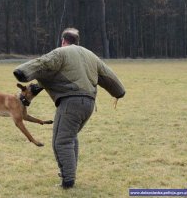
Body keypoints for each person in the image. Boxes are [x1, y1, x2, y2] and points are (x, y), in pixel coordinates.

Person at [13, 28, 125, 189]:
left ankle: (68, 180)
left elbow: (43, 62)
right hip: (89, 104)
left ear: (63, 41)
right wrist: (119, 92)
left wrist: (22, 72)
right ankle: (68, 173)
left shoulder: (61, 52)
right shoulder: (90, 55)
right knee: (70, 137)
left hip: (71, 102)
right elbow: (109, 76)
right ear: (77, 41)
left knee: (61, 141)